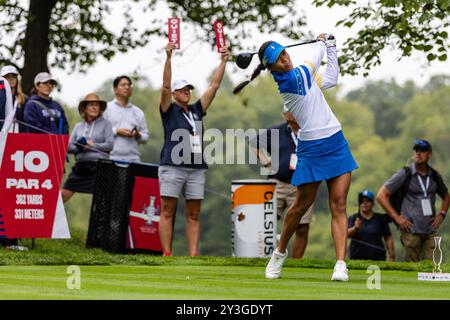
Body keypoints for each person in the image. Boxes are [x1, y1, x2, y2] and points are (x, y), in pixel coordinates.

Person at [234, 33, 358, 281]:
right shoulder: (290, 81)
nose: (286, 60)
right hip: (311, 149)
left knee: (339, 204)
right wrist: (321, 43)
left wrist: (331, 47)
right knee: (299, 207)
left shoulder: (306, 79)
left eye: (285, 54)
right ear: (271, 68)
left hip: (336, 142)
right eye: (279, 60)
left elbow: (331, 78)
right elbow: (312, 61)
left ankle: (341, 264)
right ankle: (279, 254)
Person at [158, 42, 228, 256]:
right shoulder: (168, 110)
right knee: (168, 210)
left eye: (188, 89)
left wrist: (223, 61)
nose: (186, 92)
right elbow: (164, 85)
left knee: (194, 213)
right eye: (182, 89)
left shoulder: (196, 110)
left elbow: (214, 86)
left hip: (196, 167)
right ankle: (167, 253)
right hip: (172, 165)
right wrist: (168, 58)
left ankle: (193, 255)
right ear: (174, 94)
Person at [249, 111, 314, 258]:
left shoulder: (310, 131)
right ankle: (263, 258)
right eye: (287, 110)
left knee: (302, 227)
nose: (289, 113)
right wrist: (266, 163)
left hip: (302, 186)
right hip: (277, 182)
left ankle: (295, 264)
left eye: (293, 109)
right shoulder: (277, 131)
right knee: (265, 222)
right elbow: (254, 143)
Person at [377, 139, 449, 262]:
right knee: (411, 269)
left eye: (422, 150)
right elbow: (381, 195)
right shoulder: (405, 174)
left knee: (431, 269)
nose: (418, 153)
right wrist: (397, 218)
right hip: (410, 231)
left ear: (429, 154)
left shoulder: (434, 176)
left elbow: (446, 196)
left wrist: (442, 214)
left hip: (430, 231)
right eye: (416, 150)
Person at [61, 93, 114, 203]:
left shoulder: (106, 124)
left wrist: (93, 145)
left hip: (99, 167)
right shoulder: (78, 126)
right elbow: (69, 147)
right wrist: (80, 147)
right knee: (62, 195)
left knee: (102, 201)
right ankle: (49, 219)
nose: (94, 107)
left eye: (97, 105)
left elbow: (110, 145)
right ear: (84, 108)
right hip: (80, 168)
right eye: (91, 105)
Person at [103, 75, 149, 162]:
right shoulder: (106, 109)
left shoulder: (138, 112)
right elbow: (100, 131)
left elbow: (145, 137)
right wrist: (117, 131)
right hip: (110, 158)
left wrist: (138, 135)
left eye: (129, 85)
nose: (127, 87)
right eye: (123, 85)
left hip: (133, 159)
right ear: (115, 89)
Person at [348, 189, 395, 261]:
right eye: (362, 201)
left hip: (378, 259)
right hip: (356, 258)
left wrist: (392, 256)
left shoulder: (380, 219)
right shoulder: (353, 218)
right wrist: (355, 228)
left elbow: (388, 237)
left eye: (367, 201)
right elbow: (346, 234)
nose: (365, 203)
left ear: (373, 203)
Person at [0, 65, 27, 132]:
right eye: (7, 76)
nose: (11, 79)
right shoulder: (1, 97)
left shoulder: (24, 98)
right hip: (2, 133)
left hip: (19, 136)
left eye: (13, 76)